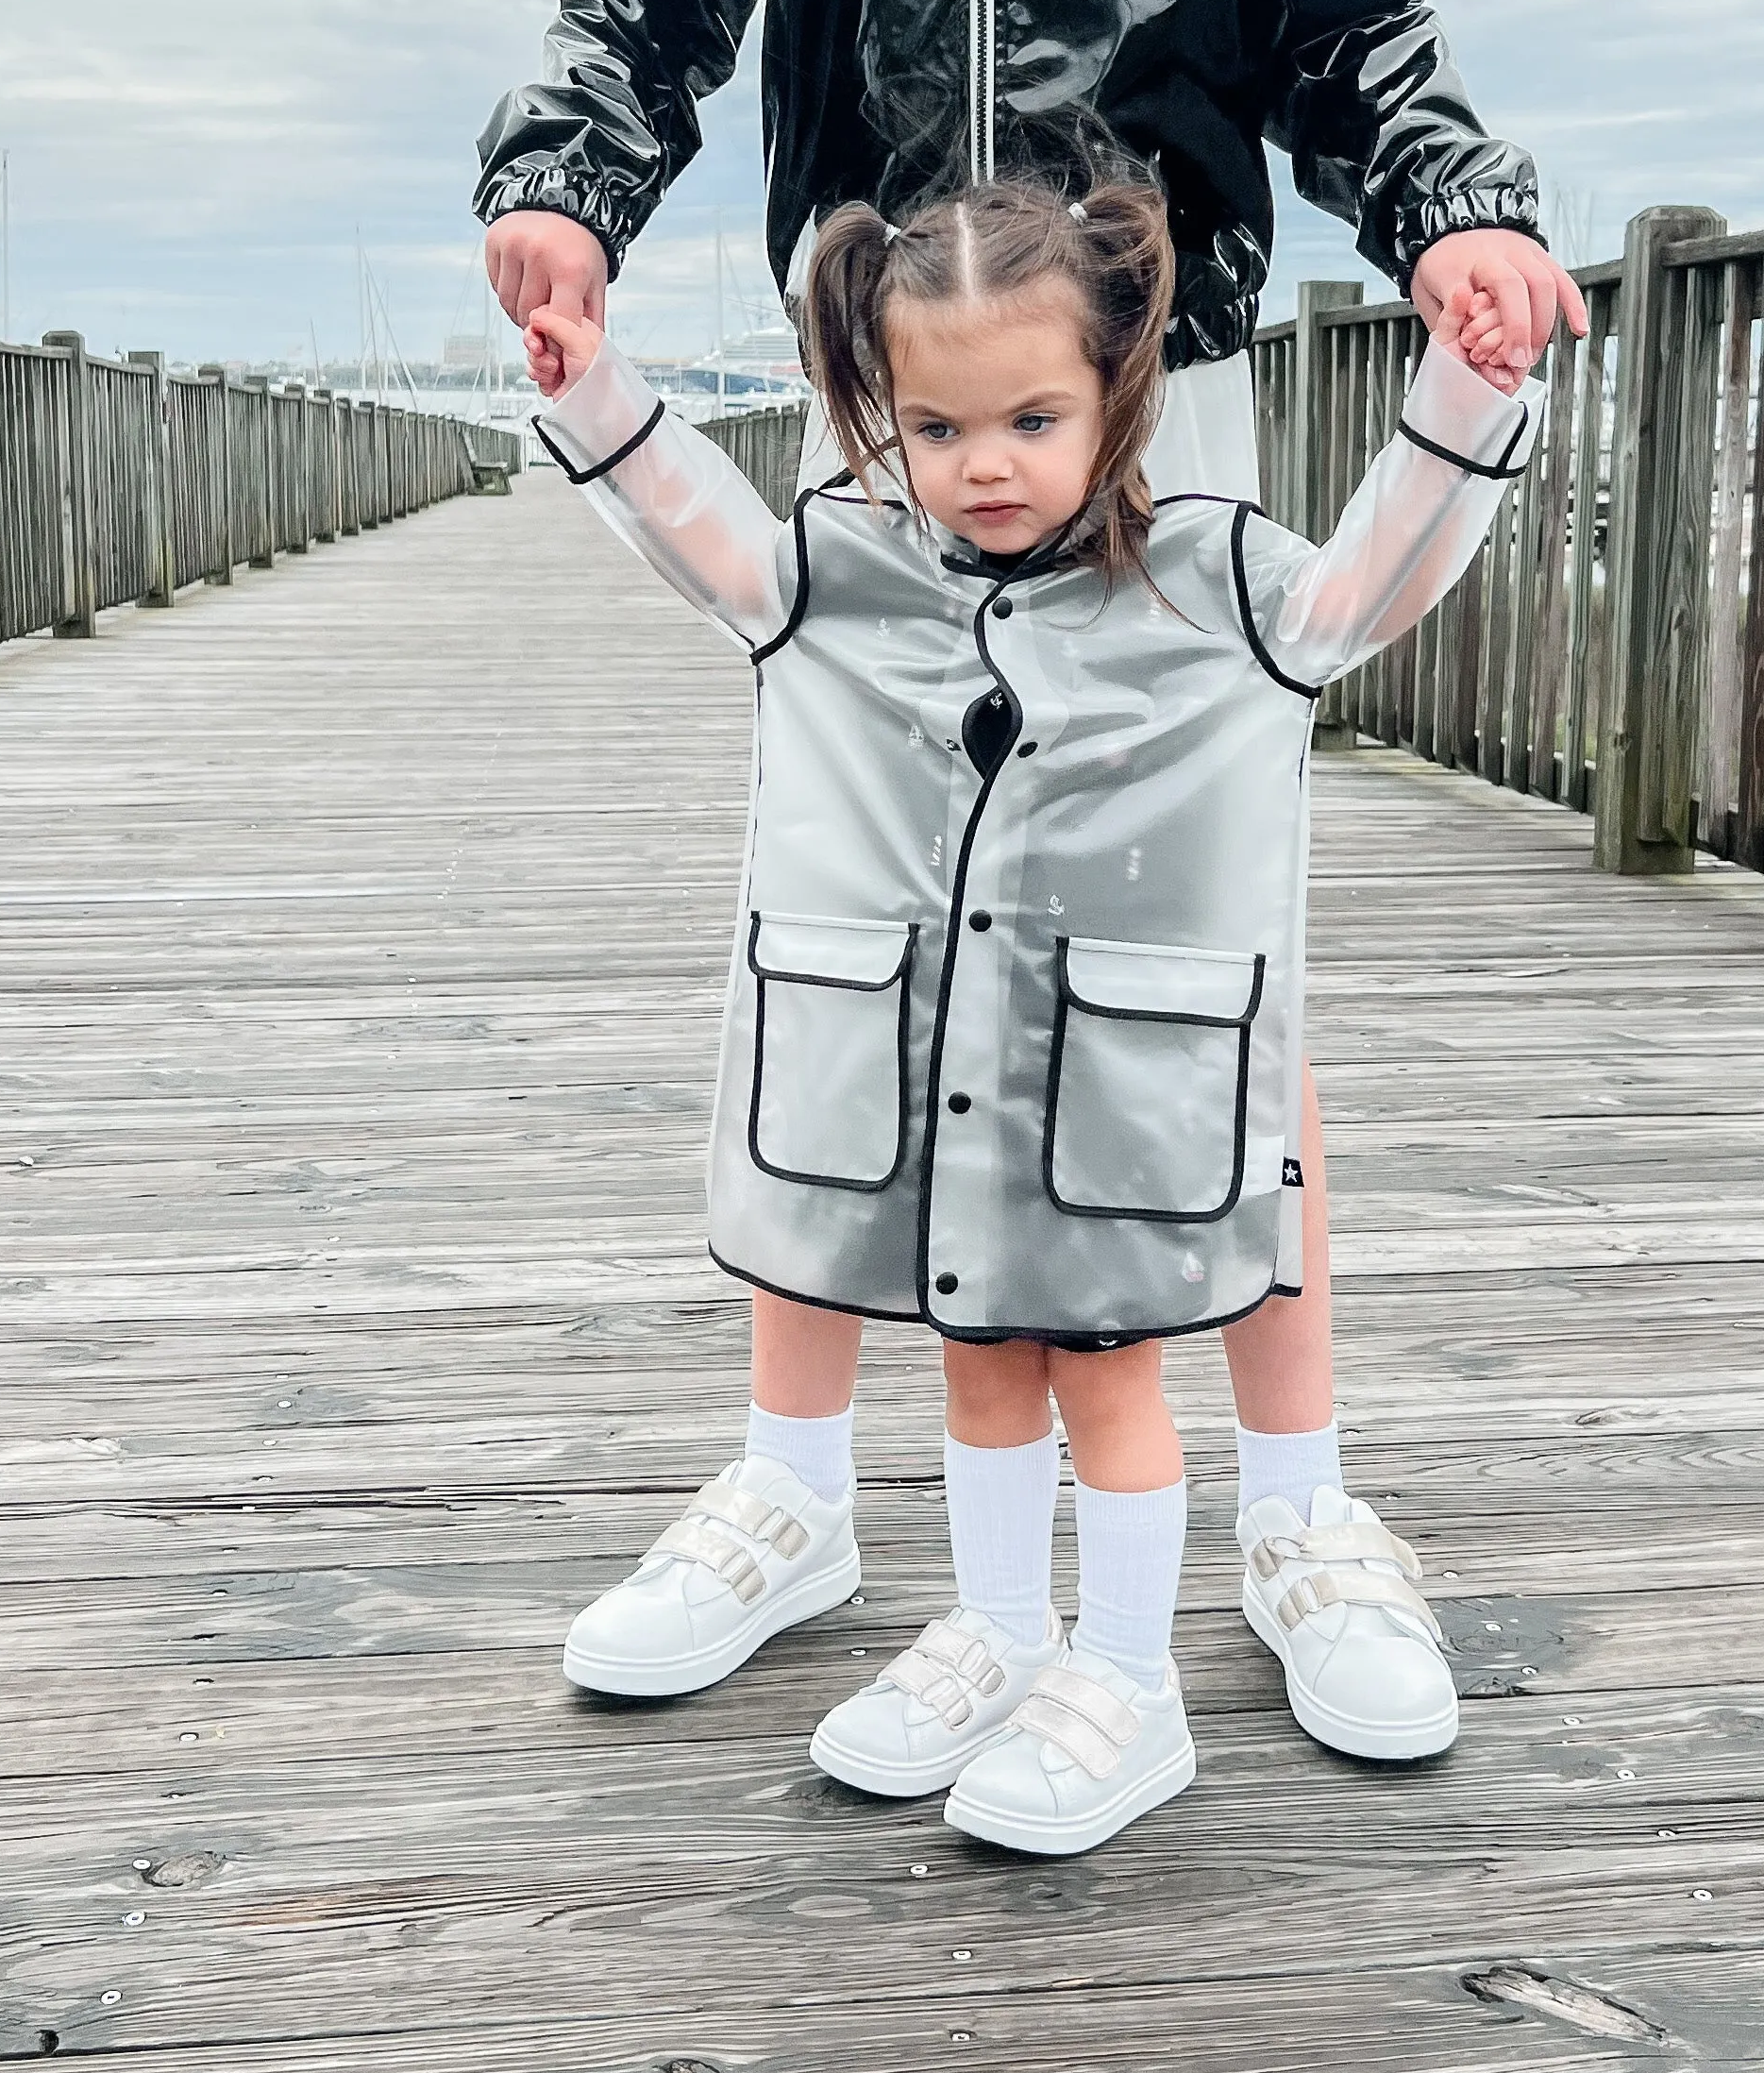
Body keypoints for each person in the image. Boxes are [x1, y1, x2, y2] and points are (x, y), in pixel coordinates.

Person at [479, 0, 1584, 1766]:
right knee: (844, 949)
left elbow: (1351, 31)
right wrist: (559, 197)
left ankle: (1294, 1497)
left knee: (1214, 971)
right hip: (879, 424)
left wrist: (1453, 212)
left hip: (1150, 403)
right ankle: (794, 1480)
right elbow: (633, 13)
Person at [529, 173, 1539, 1850]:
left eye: (1031, 415)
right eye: (931, 424)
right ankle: (1001, 1631)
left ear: (1121, 391)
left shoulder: (1220, 586)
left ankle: (1126, 1683)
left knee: (1109, 1389)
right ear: (878, 416)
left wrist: (1467, 395)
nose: (980, 462)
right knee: (980, 1379)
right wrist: (593, 392)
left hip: (1115, 1100)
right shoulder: (838, 580)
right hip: (946, 1104)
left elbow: (1375, 581)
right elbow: (694, 526)